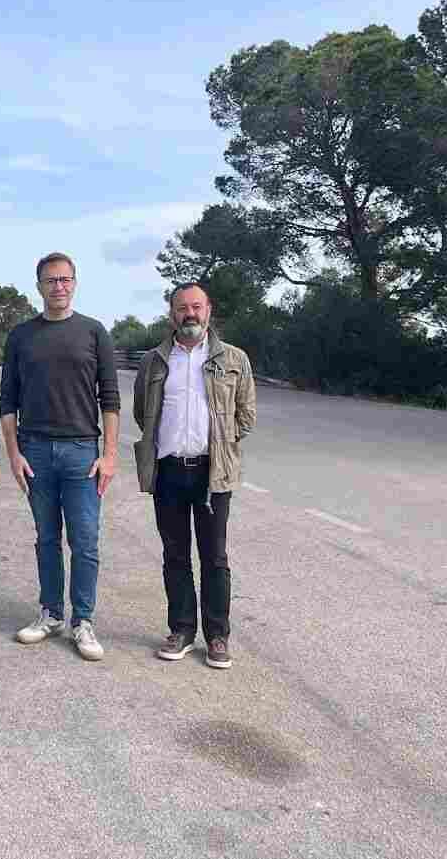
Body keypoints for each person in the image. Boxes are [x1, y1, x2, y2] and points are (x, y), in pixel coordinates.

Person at [0, 252, 120, 661]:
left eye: (66, 279)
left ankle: (82, 620)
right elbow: (8, 402)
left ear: (75, 283)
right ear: (39, 285)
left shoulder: (94, 332)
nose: (59, 287)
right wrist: (13, 454)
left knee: (84, 540)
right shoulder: (21, 336)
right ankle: (50, 613)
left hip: (83, 452)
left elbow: (111, 397)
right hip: (36, 452)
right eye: (51, 280)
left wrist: (110, 455)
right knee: (47, 539)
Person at [132, 282, 256, 669]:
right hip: (168, 470)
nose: (190, 313)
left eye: (196, 306)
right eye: (182, 307)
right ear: (172, 313)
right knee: (174, 555)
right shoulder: (154, 361)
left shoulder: (233, 359)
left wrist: (217, 443)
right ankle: (182, 630)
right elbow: (143, 413)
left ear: (208, 310)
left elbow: (245, 415)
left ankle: (217, 636)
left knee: (214, 556)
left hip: (212, 473)